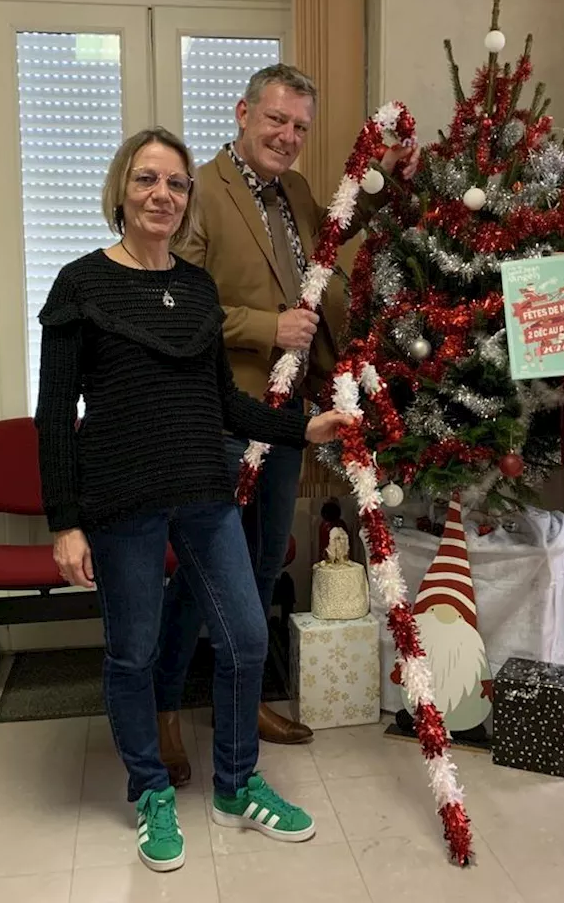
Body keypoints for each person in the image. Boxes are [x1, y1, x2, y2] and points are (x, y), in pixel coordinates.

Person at [35, 126, 352, 873]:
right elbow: (54, 417)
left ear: (187, 201)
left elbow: (224, 406)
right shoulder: (81, 284)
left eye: (175, 184)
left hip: (204, 494)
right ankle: (149, 790)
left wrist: (303, 427)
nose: (161, 195)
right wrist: (65, 523)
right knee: (134, 652)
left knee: (245, 639)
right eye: (147, 180)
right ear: (122, 190)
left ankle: (238, 784)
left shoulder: (198, 288)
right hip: (122, 504)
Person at [152, 64, 418, 781]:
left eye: (300, 126)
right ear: (243, 113)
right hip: (224, 413)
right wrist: (269, 327)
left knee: (267, 563)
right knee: (209, 575)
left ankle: (244, 703)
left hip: (292, 417)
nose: (288, 136)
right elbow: (181, 302)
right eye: (276, 120)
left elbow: (331, 238)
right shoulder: (198, 189)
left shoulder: (297, 189)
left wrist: (385, 179)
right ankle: (164, 708)